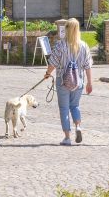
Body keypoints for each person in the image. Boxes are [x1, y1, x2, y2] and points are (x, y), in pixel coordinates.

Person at [43, 18, 93, 146]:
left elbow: (53, 63)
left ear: (67, 29)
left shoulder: (60, 45)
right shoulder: (84, 46)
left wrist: (48, 73)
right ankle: (78, 127)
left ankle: (67, 137)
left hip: (63, 81)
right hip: (78, 81)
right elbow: (88, 66)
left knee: (64, 108)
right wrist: (89, 83)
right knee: (75, 106)